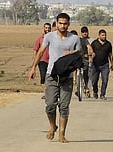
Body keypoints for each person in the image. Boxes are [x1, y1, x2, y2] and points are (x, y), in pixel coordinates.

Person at [28, 13, 81, 143]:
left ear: (69, 24)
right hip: (51, 74)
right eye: (60, 23)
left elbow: (80, 55)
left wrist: (71, 53)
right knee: (50, 105)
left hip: (66, 76)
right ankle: (52, 126)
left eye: (65, 23)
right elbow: (40, 52)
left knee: (64, 106)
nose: (63, 26)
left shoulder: (74, 39)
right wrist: (33, 67)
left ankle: (62, 134)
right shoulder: (49, 36)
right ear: (56, 24)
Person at [90, 29, 113, 100]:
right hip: (95, 65)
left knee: (105, 80)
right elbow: (91, 52)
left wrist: (112, 63)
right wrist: (91, 56)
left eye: (105, 35)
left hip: (105, 65)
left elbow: (110, 55)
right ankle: (95, 91)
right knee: (94, 80)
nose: (104, 37)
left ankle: (102, 94)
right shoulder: (94, 43)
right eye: (102, 35)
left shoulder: (108, 44)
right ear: (99, 35)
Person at [32, 22, 51, 99]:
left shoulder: (52, 38)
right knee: (43, 77)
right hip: (42, 60)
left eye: (48, 28)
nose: (47, 29)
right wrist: (35, 61)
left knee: (50, 77)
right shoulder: (40, 39)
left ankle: (50, 93)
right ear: (44, 28)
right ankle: (46, 93)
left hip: (51, 60)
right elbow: (35, 50)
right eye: (46, 28)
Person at [78, 26, 94, 97]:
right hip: (77, 59)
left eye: (86, 32)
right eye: (83, 32)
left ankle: (86, 87)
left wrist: (90, 56)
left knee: (86, 72)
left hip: (85, 58)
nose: (85, 33)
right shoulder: (77, 40)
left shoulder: (85, 40)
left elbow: (89, 48)